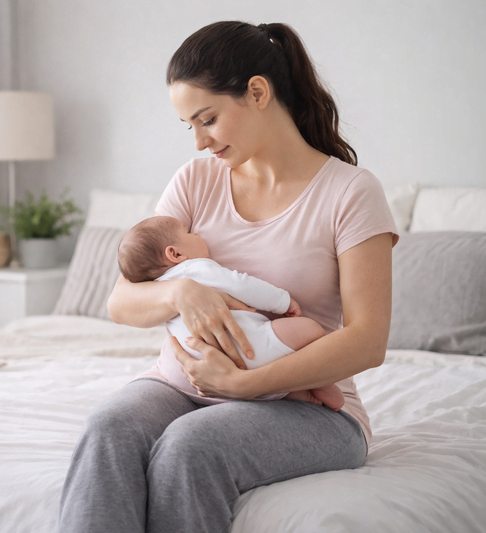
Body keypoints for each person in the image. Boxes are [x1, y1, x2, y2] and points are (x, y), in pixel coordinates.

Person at [58, 20, 398, 533]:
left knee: (190, 447)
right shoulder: (196, 181)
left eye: (208, 119)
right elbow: (121, 302)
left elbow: (368, 342)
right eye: (188, 126)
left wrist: (244, 384)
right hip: (185, 385)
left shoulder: (350, 192)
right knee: (110, 427)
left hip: (308, 405)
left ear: (257, 92)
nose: (198, 142)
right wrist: (182, 291)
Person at [116, 214, 344, 410]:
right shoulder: (195, 268)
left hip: (189, 376)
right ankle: (319, 384)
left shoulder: (156, 289)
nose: (197, 235)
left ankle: (297, 394)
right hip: (247, 353)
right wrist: (283, 302)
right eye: (189, 233)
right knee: (311, 329)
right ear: (175, 254)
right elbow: (242, 285)